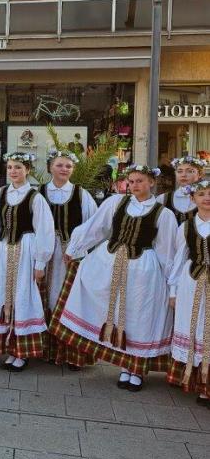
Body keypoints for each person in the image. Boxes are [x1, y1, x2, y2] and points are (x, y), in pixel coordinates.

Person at [52, 164, 176, 392]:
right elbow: (96, 228)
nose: (135, 185)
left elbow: (167, 251)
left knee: (137, 317)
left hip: (143, 273)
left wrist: (172, 285)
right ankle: (123, 365)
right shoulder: (116, 203)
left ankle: (136, 369)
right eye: (131, 181)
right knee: (115, 312)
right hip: (108, 264)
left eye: (140, 181)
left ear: (151, 183)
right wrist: (75, 248)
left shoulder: (163, 214)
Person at [0, 152, 55, 372]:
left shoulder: (35, 197)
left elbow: (45, 230)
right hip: (2, 251)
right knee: (3, 295)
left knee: (23, 297)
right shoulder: (0, 193)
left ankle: (21, 352)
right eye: (10, 167)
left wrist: (40, 263)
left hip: (25, 250)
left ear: (28, 170)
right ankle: (8, 348)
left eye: (18, 167)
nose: (13, 171)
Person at [39, 151, 97, 369]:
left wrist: (78, 248)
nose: (64, 169)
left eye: (68, 166)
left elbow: (93, 226)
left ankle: (73, 353)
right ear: (50, 167)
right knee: (47, 298)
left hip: (72, 255)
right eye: (59, 165)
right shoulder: (40, 192)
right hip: (46, 254)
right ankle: (48, 349)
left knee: (72, 300)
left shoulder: (81, 194)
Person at [167, 180, 210, 405]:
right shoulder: (186, 226)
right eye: (201, 194)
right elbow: (178, 259)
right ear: (192, 199)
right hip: (190, 283)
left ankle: (207, 387)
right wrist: (173, 291)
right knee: (193, 328)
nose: (206, 198)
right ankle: (193, 380)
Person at [158, 156, 206, 225]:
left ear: (200, 174)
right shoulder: (163, 199)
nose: (183, 175)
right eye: (179, 171)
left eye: (189, 171)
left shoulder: (206, 199)